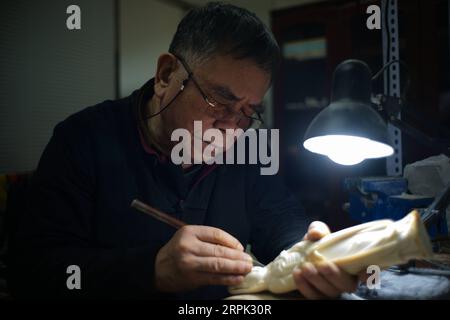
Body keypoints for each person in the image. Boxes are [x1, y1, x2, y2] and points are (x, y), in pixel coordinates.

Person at [8, 2, 358, 299]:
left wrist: (307, 250)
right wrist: (152, 269)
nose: (231, 128)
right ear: (166, 75)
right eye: (219, 101)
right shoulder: (84, 139)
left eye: (249, 112)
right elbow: (34, 272)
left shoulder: (246, 150)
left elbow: (281, 217)